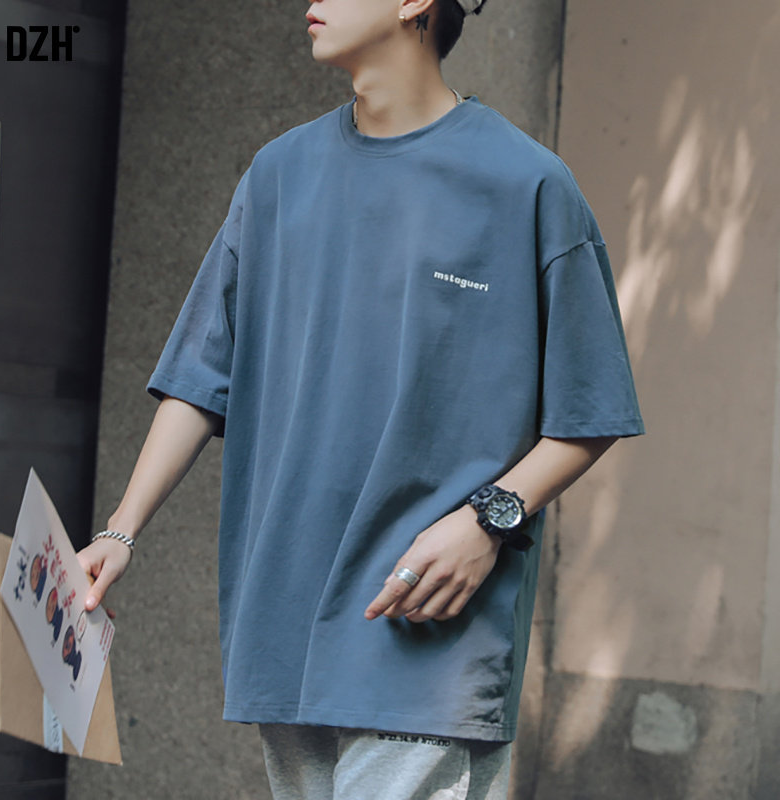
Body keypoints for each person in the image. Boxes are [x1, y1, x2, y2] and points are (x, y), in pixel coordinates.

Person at [78, 0, 644, 797]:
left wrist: (488, 519)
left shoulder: (528, 184)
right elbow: (202, 379)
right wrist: (120, 531)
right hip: (286, 624)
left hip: (429, 628)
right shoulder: (277, 175)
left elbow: (591, 409)